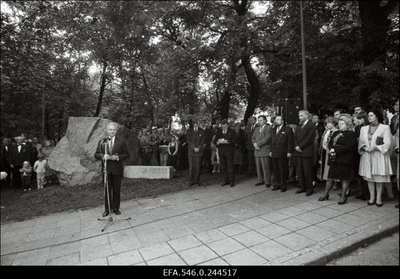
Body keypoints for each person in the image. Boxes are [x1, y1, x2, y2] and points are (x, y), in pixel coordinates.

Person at [318, 116, 357, 204]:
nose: (340, 125)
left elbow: (349, 146)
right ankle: (326, 194)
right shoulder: (336, 133)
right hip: (334, 159)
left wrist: (336, 149)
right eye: (339, 124)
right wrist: (332, 149)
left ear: (348, 125)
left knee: (344, 178)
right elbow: (330, 143)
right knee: (330, 177)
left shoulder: (351, 134)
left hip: (345, 159)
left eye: (342, 124)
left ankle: (343, 196)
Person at [358, 108, 393, 207]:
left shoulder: (384, 128)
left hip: (378, 155)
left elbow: (388, 143)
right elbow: (360, 142)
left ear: (377, 116)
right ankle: (372, 197)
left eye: (371, 115)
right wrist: (364, 148)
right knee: (369, 178)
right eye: (368, 116)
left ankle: (378, 198)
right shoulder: (363, 128)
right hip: (367, 156)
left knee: (378, 177)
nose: (369, 117)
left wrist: (375, 148)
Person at [95, 122, 129, 217]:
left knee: (116, 190)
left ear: (116, 131)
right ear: (107, 130)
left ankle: (116, 208)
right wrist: (103, 156)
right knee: (107, 190)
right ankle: (107, 209)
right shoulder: (102, 142)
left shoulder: (121, 141)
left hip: (117, 169)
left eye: (114, 129)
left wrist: (117, 158)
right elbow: (96, 154)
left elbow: (126, 154)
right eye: (110, 129)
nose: (112, 131)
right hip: (106, 170)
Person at [293, 110, 317, 196]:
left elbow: (309, 138)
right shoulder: (299, 126)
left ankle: (309, 188)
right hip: (298, 151)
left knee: (307, 171)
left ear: (307, 116)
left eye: (301, 115)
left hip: (306, 151)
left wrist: (300, 147)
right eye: (299, 116)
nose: (300, 117)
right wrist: (296, 146)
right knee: (300, 171)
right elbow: (295, 137)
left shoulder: (312, 125)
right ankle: (302, 187)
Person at [270, 115, 293, 192]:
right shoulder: (273, 129)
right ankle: (277, 184)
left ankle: (283, 185)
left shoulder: (287, 129)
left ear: (282, 121)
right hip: (274, 151)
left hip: (283, 152)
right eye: (276, 120)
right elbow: (271, 141)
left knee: (282, 169)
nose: (277, 121)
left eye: (278, 120)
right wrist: (271, 151)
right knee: (276, 169)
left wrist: (289, 151)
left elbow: (290, 141)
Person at [214, 119, 237, 187]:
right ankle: (225, 180)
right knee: (223, 167)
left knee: (230, 166)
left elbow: (235, 140)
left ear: (227, 125)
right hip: (221, 151)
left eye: (225, 126)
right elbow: (215, 140)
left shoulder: (232, 131)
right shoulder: (219, 132)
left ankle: (231, 181)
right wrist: (217, 142)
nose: (223, 128)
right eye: (222, 126)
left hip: (229, 151)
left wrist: (228, 142)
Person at [252, 115, 272, 188]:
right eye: (258, 120)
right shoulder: (256, 128)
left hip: (264, 149)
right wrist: (254, 144)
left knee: (265, 167)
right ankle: (260, 180)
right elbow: (253, 137)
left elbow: (267, 138)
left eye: (260, 120)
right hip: (257, 150)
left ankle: (267, 181)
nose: (259, 122)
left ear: (265, 120)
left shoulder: (268, 128)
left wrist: (258, 144)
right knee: (258, 167)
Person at [186, 119, 205, 187]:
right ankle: (191, 180)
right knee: (192, 166)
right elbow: (189, 141)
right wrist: (194, 148)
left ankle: (197, 180)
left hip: (199, 152)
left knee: (198, 166)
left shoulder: (202, 131)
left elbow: (203, 141)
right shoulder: (189, 131)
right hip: (191, 152)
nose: (196, 124)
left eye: (197, 123)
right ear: (193, 124)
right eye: (195, 123)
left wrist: (198, 148)